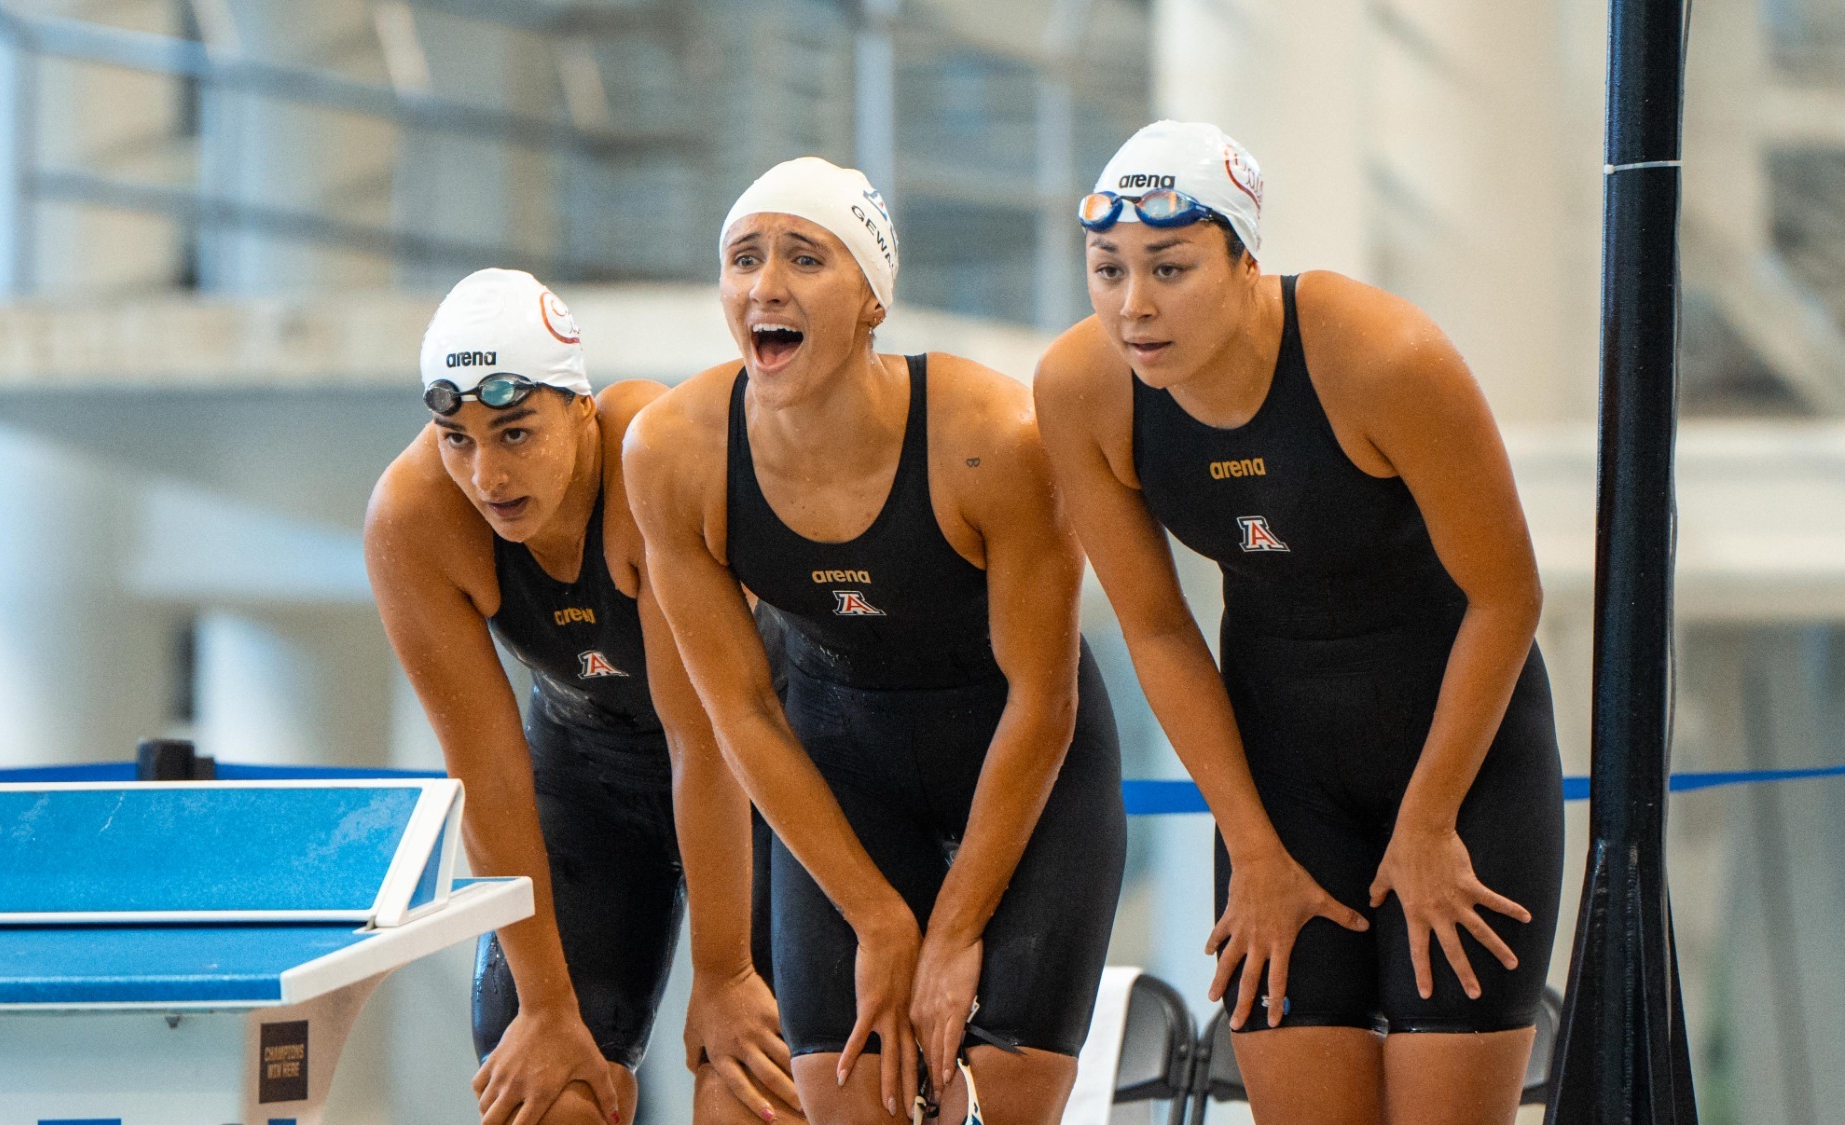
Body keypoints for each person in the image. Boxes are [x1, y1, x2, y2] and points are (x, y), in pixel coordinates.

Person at [1033, 121, 1564, 1124]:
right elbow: (1154, 629)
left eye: (1169, 267)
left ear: (1244, 261)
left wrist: (1427, 821)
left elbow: (1505, 597)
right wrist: (1254, 846)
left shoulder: (1380, 357)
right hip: (1282, 779)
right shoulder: (1082, 388)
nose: (1132, 305)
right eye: (1106, 270)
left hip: (1461, 764)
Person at [624, 158, 1127, 1125]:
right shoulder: (675, 454)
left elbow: (1042, 697)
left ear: (870, 301)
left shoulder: (994, 438)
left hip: (1024, 759)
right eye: (743, 259)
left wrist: (955, 931)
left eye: (804, 258)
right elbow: (740, 710)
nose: (765, 284)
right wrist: (879, 915)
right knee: (850, 1097)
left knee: (1008, 1102)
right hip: (841, 760)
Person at [365, 269, 798, 1125]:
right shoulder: (413, 519)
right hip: (587, 775)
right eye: (458, 438)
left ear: (579, 407)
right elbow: (486, 771)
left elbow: (702, 738)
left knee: (746, 1087)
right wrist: (547, 1009)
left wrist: (725, 974)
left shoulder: (650, 451)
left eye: (515, 431)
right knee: (546, 1095)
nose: (487, 474)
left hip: (763, 771)